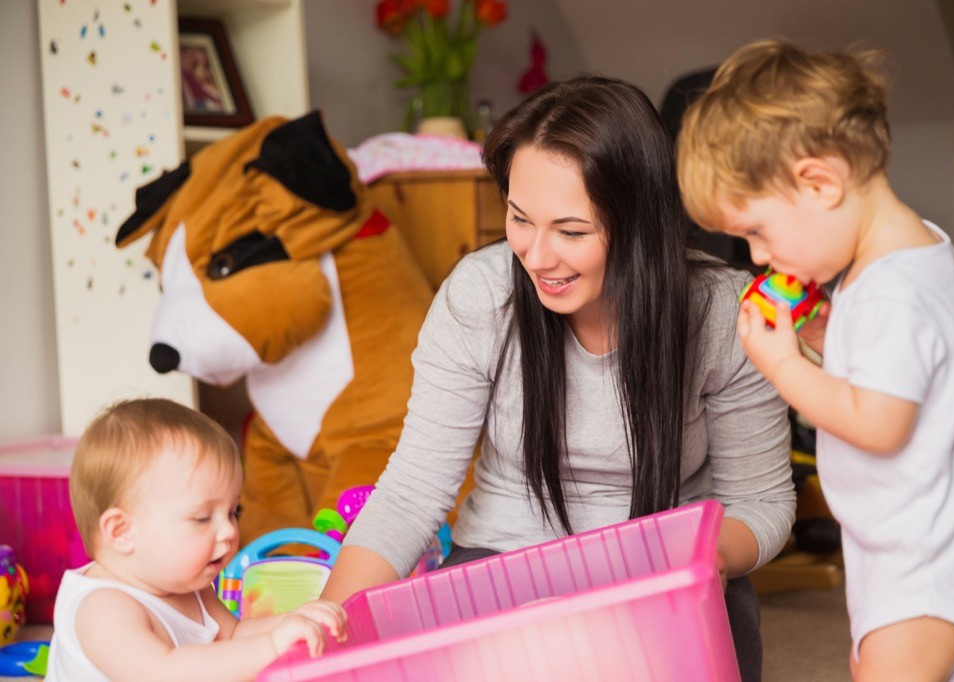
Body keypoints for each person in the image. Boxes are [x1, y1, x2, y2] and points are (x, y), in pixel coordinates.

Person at [321, 75, 796, 681]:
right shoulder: (482, 293)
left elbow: (763, 502)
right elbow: (413, 491)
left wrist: (695, 561)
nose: (537, 256)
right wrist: (324, 627)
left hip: (668, 575)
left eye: (572, 232)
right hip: (501, 564)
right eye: (520, 218)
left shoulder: (723, 311)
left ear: (642, 225)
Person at [677, 39, 954, 681]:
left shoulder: (894, 291)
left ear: (820, 182)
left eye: (758, 230)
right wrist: (829, 341)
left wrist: (784, 365)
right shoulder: (894, 263)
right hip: (904, 546)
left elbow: (882, 422)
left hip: (933, 558)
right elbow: (896, 378)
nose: (755, 257)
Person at [46, 398, 347, 682]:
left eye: (232, 512)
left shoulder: (191, 584)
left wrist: (289, 623)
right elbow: (164, 673)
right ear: (122, 532)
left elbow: (234, 635)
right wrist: (269, 646)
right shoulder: (102, 608)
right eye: (203, 517)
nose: (229, 531)